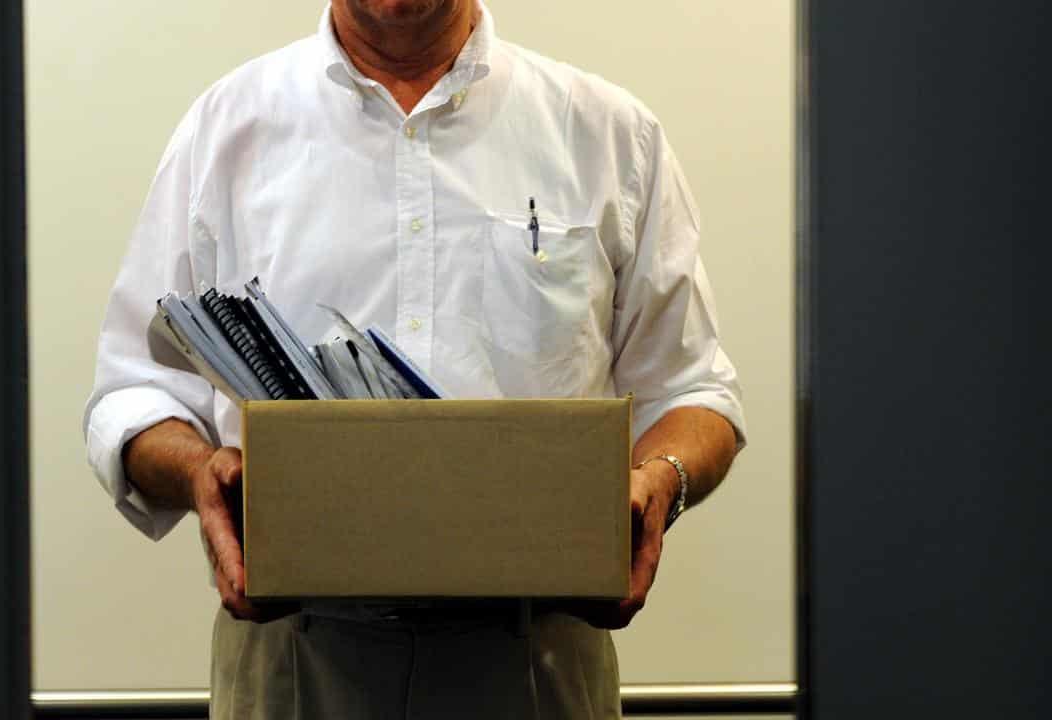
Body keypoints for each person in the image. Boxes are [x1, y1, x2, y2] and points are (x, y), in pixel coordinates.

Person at [84, 1, 746, 717]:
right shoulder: (226, 128)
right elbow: (133, 391)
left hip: (538, 661)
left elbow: (695, 390)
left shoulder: (608, 132)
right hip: (294, 662)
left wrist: (661, 478)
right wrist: (195, 471)